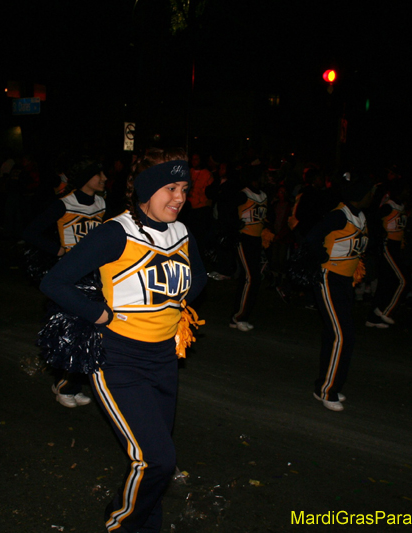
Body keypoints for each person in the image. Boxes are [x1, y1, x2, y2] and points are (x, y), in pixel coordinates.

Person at [40, 155, 206, 533]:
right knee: (157, 460)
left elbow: (198, 277)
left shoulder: (180, 231)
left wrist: (175, 304)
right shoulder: (116, 232)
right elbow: (54, 282)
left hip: (165, 357)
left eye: (184, 190)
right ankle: (119, 523)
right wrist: (100, 315)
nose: (179, 198)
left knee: (155, 459)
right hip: (118, 359)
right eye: (171, 189)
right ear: (147, 190)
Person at [23, 156, 107, 408]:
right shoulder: (64, 204)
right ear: (86, 178)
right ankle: (65, 385)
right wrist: (59, 251)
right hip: (71, 276)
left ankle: (70, 384)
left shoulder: (103, 203)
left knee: (89, 330)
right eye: (98, 174)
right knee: (73, 331)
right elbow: (30, 231)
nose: (104, 178)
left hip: (95, 276)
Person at [306, 178, 372, 411]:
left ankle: (325, 384)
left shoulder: (360, 216)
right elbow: (312, 237)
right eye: (370, 192)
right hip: (330, 278)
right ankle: (327, 390)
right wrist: (323, 258)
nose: (373, 196)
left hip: (344, 282)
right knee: (343, 335)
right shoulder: (340, 215)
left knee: (333, 335)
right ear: (359, 194)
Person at [230, 165, 268, 332]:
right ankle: (239, 317)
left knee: (250, 278)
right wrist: (234, 226)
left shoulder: (264, 196)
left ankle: (239, 315)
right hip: (244, 239)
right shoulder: (243, 194)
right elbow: (228, 208)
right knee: (252, 277)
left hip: (256, 240)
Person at [366, 179, 407, 328]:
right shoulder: (389, 207)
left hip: (395, 246)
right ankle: (386, 312)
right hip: (388, 245)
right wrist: (381, 233)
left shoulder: (400, 207)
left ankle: (373, 317)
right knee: (402, 281)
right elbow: (372, 219)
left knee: (386, 282)